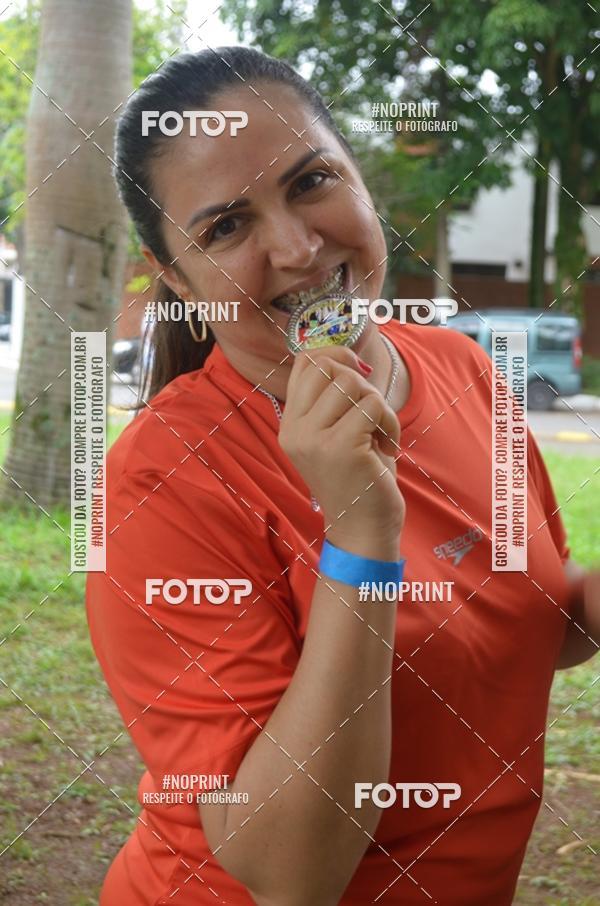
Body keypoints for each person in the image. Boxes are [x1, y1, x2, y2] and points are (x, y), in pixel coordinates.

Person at [85, 46, 599, 906]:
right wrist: (361, 532)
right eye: (226, 227)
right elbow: (291, 873)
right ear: (177, 278)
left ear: (359, 177)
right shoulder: (161, 482)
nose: (296, 246)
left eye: (311, 181)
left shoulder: (465, 370)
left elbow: (521, 616)